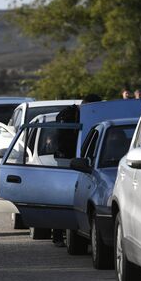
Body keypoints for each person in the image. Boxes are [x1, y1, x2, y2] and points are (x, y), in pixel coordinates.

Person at [52, 93, 102, 247]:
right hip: (67, 159)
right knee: (64, 198)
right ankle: (59, 235)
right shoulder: (68, 114)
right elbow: (64, 139)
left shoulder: (81, 115)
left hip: (83, 160)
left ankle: (72, 232)